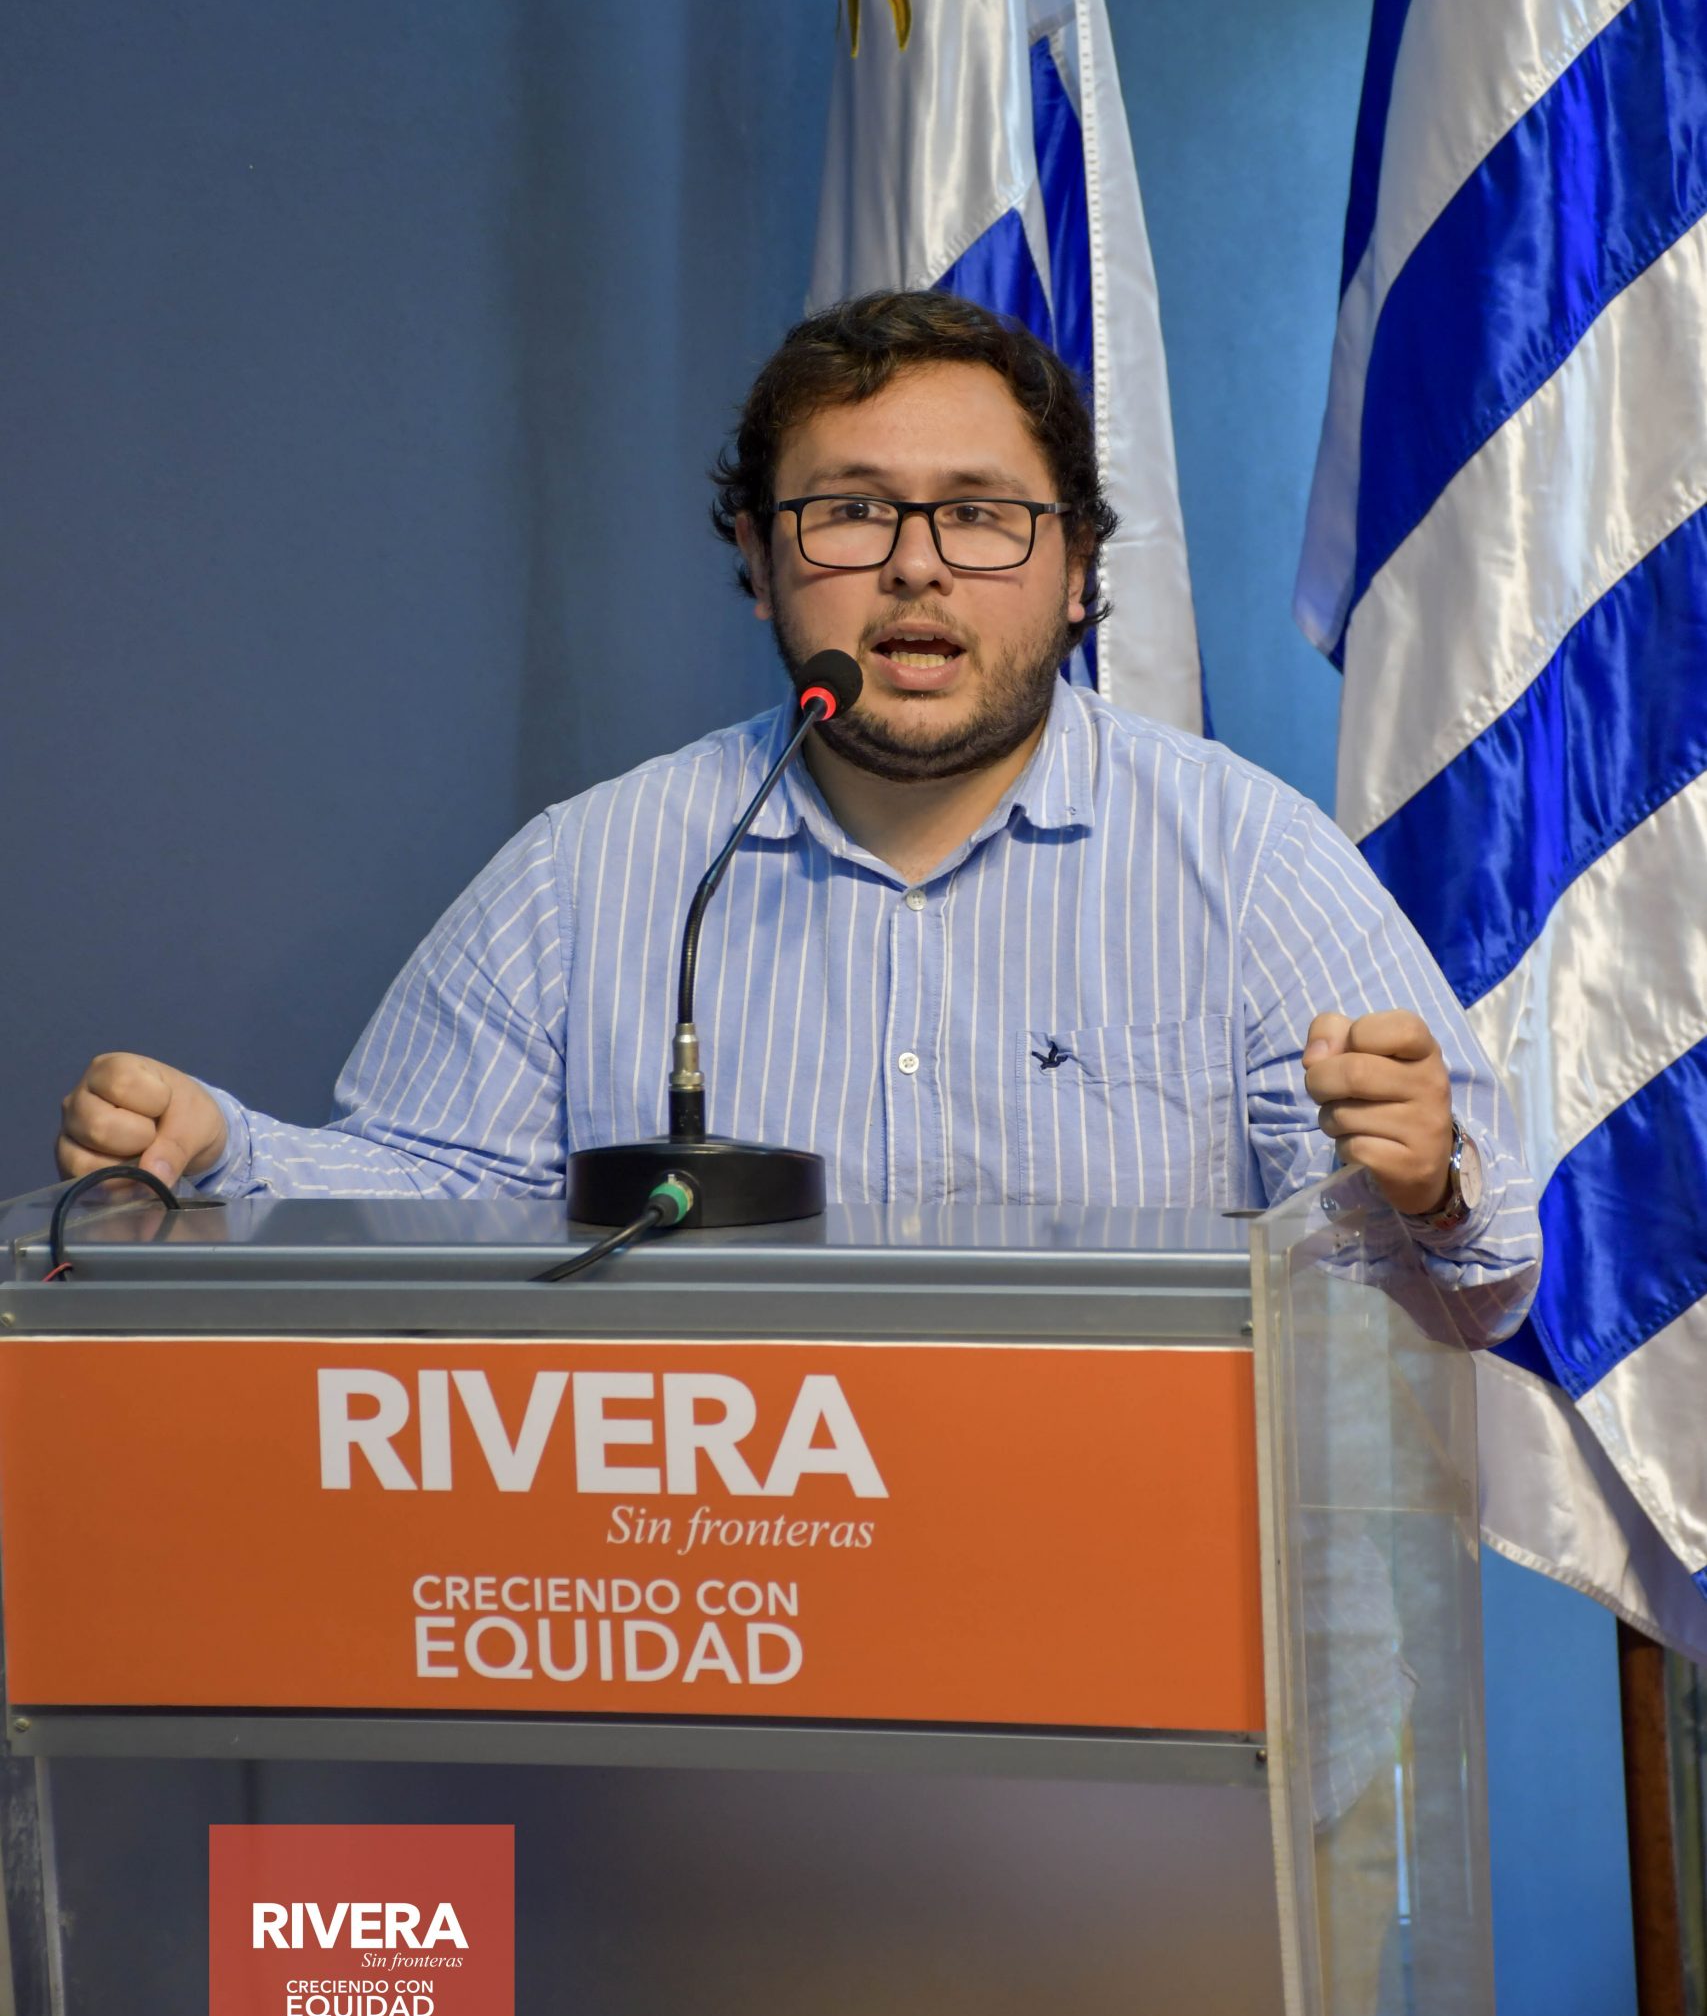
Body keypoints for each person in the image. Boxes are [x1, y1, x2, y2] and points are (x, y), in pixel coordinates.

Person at [56, 290, 1539, 1334]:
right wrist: (224, 1151)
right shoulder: (591, 874)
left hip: (1140, 1612)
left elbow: (1483, 1282)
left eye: (981, 513)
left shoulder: (1248, 862)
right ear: (760, 566)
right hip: (731, 1618)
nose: (916, 565)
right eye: (849, 512)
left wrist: (1427, 1182)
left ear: (1080, 571)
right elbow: (436, 1195)